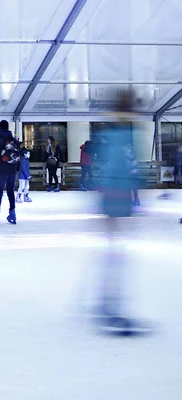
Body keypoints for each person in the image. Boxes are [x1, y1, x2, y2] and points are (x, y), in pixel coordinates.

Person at [95, 89, 149, 336]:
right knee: (116, 252)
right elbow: (122, 164)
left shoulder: (119, 130)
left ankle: (108, 303)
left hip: (115, 191)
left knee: (115, 251)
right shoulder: (122, 132)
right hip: (116, 192)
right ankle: (110, 305)